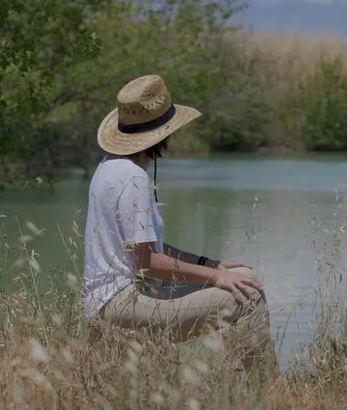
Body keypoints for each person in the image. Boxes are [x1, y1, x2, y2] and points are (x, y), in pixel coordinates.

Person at [81, 74, 275, 373]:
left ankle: (235, 381)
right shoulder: (134, 178)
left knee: (243, 275)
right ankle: (265, 387)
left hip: (111, 299)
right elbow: (148, 263)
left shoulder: (108, 167)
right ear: (162, 134)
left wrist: (211, 264)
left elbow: (144, 248)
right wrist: (216, 278)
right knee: (249, 297)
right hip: (124, 305)